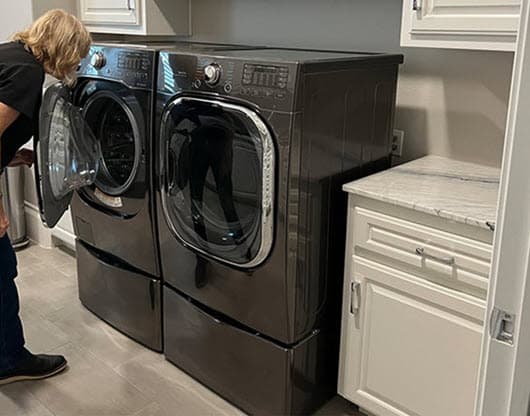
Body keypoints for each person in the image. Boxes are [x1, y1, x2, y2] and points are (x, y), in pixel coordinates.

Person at [0, 9, 91, 385]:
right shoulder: (28, 72)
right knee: (2, 271)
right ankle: (9, 361)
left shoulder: (9, 53)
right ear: (64, 47)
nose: (76, 63)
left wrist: (10, 154)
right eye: (77, 53)